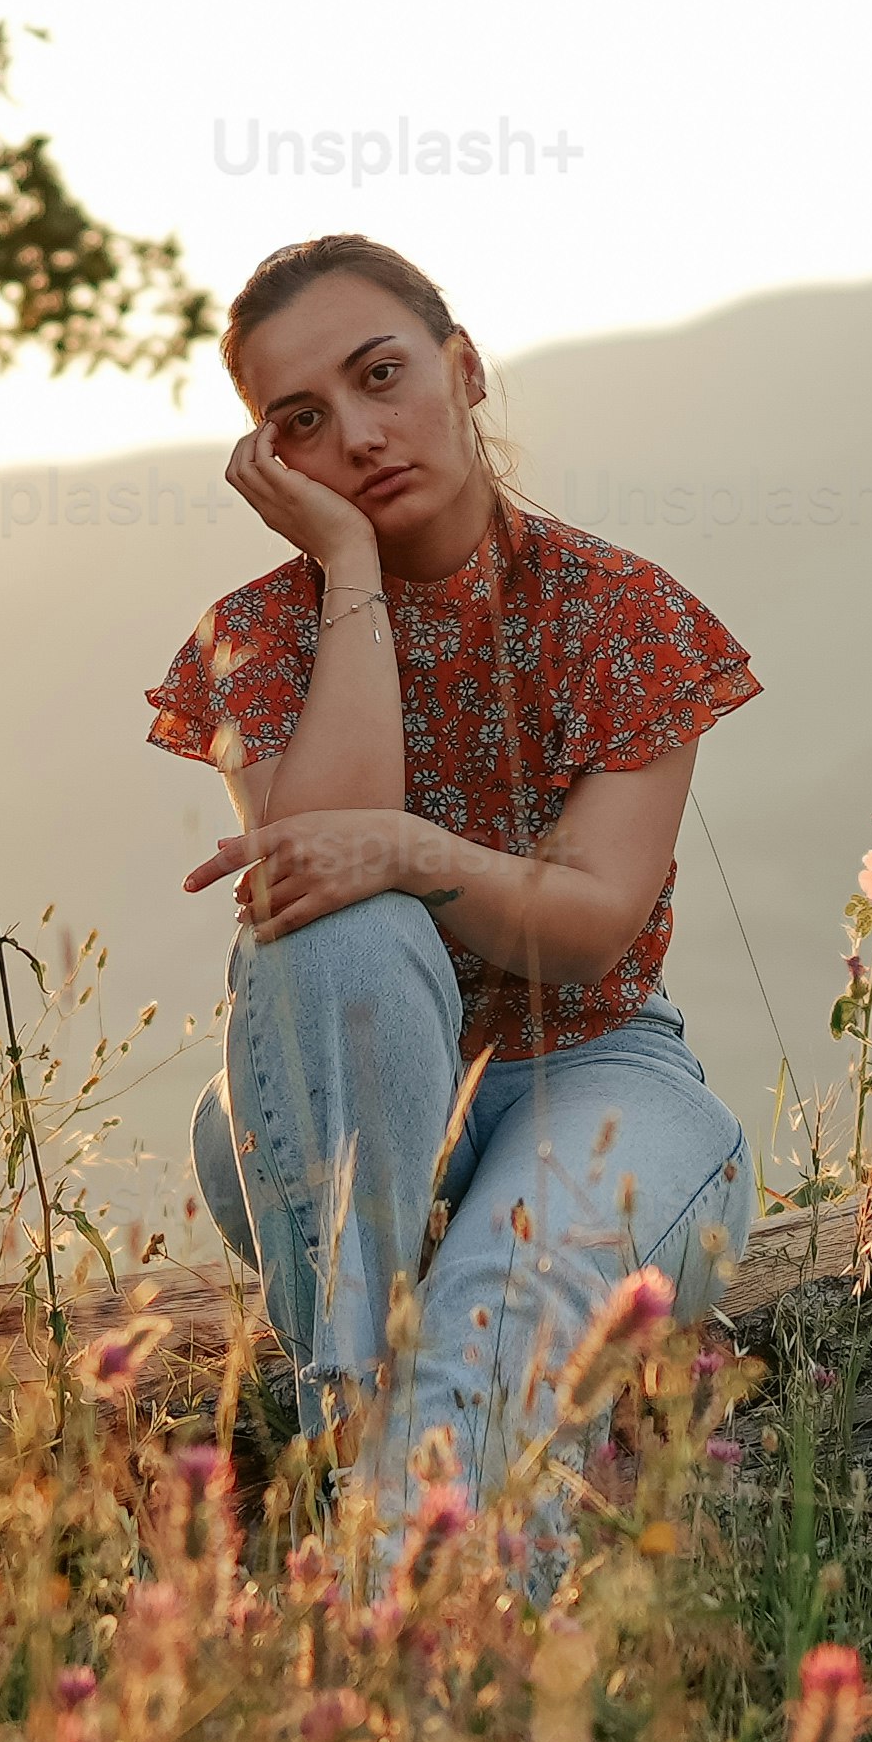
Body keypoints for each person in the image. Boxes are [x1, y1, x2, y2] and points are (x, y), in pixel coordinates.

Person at [148, 231, 759, 1543]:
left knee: (495, 1314)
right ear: (270, 461)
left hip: (595, 1083)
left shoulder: (617, 612)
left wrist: (417, 852)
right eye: (302, 420)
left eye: (384, 376)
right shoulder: (256, 636)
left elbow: (590, 931)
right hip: (336, 1103)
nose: (360, 434)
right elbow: (313, 913)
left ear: (464, 368)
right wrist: (351, 575)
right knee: (338, 922)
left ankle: (386, 1628)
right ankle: (371, 1434)